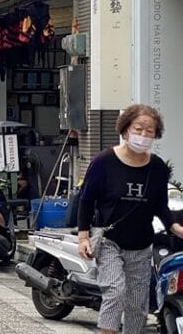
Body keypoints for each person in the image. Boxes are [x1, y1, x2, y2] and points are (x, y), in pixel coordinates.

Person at [77, 104, 183, 334]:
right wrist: (83, 237)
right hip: (109, 241)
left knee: (137, 305)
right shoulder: (103, 162)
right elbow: (86, 200)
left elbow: (160, 206)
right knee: (115, 292)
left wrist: (175, 227)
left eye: (150, 131)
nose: (143, 135)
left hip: (141, 244)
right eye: (138, 129)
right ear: (125, 130)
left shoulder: (157, 167)